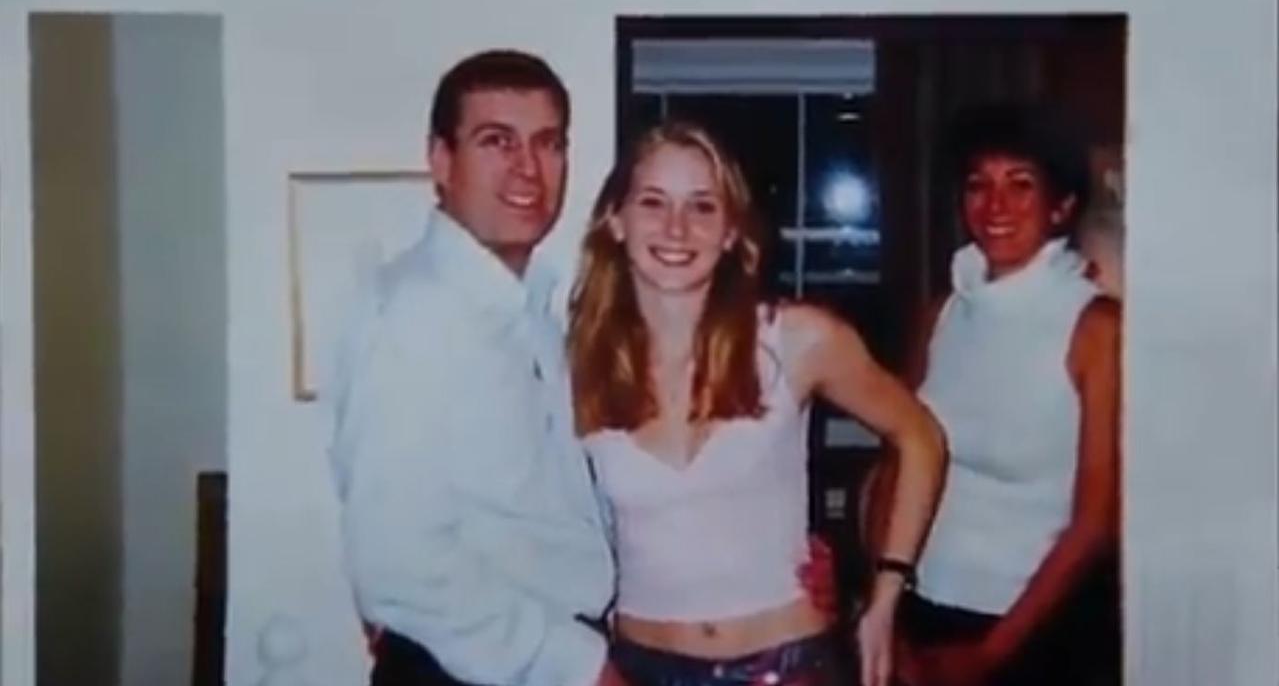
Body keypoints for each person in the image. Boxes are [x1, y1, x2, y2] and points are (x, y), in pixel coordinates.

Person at [329, 50, 835, 686]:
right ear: (441, 160)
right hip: (482, 667)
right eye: (496, 141)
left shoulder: (546, 315)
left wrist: (771, 561)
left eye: (547, 143)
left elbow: (589, 504)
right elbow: (396, 561)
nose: (527, 168)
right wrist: (578, 664)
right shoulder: (411, 315)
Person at [567, 121, 947, 686]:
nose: (677, 228)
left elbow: (921, 438)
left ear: (729, 232)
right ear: (615, 221)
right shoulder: (576, 361)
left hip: (788, 667)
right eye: (653, 202)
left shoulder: (796, 339)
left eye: (702, 206)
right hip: (638, 668)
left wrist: (884, 595)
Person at [881, 103, 1122, 686]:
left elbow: (1095, 522)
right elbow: (897, 464)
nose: (995, 206)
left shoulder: (1096, 327)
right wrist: (886, 612)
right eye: (978, 185)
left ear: (1060, 206)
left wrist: (991, 654)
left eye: (1020, 186)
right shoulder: (940, 313)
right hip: (923, 611)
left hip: (1038, 629)